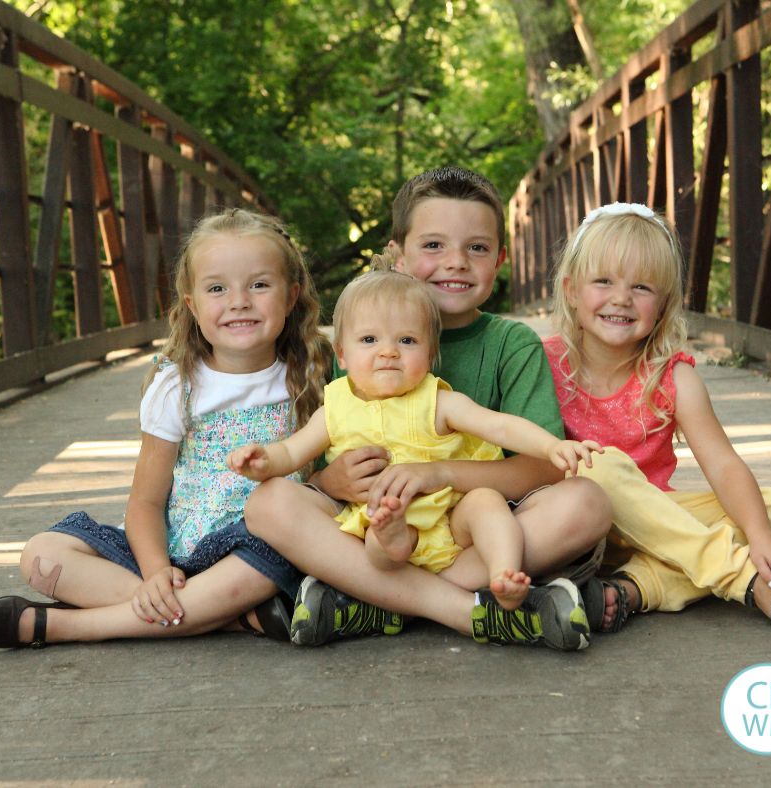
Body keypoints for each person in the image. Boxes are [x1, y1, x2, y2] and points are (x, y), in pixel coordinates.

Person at [244, 166, 612, 650]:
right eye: (433, 246)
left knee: (587, 503)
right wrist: (329, 481)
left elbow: (539, 470)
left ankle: (367, 602)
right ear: (397, 256)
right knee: (267, 502)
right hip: (377, 525)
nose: (455, 262)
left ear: (500, 259)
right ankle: (464, 611)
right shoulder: (361, 338)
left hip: (470, 530)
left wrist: (437, 473)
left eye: (477, 248)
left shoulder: (511, 344)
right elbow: (324, 453)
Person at [0, 208, 331, 648]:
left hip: (255, 550)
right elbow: (145, 502)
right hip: (174, 548)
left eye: (259, 285)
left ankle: (70, 627)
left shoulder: (312, 374)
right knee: (41, 556)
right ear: (192, 304)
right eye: (217, 288)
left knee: (268, 564)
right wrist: (156, 572)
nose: (239, 300)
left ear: (291, 295)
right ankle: (230, 617)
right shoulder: (177, 385)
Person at [544, 201, 771, 633]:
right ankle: (742, 577)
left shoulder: (672, 377)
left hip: (661, 527)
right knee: (595, 464)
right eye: (603, 281)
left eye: (642, 288)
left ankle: (632, 590)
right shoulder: (544, 363)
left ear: (663, 304)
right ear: (571, 289)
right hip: (579, 531)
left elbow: (722, 464)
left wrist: (760, 535)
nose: (622, 298)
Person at [230, 270, 602, 615]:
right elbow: (292, 452)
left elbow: (500, 427)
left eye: (406, 341)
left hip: (454, 525)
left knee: (487, 503)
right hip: (388, 527)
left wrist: (551, 447)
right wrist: (263, 460)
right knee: (375, 530)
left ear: (429, 352)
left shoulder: (438, 400)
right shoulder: (335, 407)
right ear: (342, 354)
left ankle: (502, 575)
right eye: (369, 340)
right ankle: (450, 601)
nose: (388, 351)